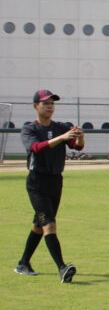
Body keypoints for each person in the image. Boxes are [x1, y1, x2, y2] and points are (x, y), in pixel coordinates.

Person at [14, 89, 84, 282]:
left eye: (52, 103)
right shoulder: (30, 128)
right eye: (45, 103)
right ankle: (62, 267)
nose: (50, 107)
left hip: (55, 181)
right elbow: (36, 148)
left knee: (39, 225)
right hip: (37, 183)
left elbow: (77, 147)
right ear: (36, 106)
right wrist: (62, 138)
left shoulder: (61, 127)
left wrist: (79, 136)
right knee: (49, 225)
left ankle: (23, 263)